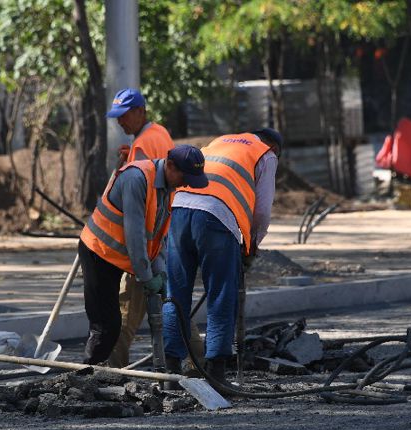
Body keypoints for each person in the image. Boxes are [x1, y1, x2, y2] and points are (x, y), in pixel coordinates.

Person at [162, 128, 282, 385]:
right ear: (274, 147)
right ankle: (216, 373)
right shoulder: (266, 154)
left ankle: (170, 373)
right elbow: (262, 211)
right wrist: (251, 246)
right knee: (220, 294)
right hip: (215, 217)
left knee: (175, 293)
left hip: (180, 209)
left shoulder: (219, 141)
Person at [77, 145, 208, 365]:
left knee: (114, 324)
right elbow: (135, 236)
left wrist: (161, 272)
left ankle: (102, 375)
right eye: (185, 177)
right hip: (98, 252)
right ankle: (86, 376)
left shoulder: (168, 187)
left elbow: (156, 235)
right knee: (106, 325)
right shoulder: (136, 179)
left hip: (120, 255)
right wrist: (147, 277)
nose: (186, 183)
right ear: (171, 165)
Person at [103, 88, 181, 369]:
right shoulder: (159, 134)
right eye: (117, 117)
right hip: (160, 234)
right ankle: (195, 363)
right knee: (172, 305)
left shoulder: (143, 146)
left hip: (145, 242)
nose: (120, 122)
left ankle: (112, 369)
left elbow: (134, 204)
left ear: (140, 112)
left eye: (124, 116)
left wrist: (141, 260)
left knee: (126, 309)